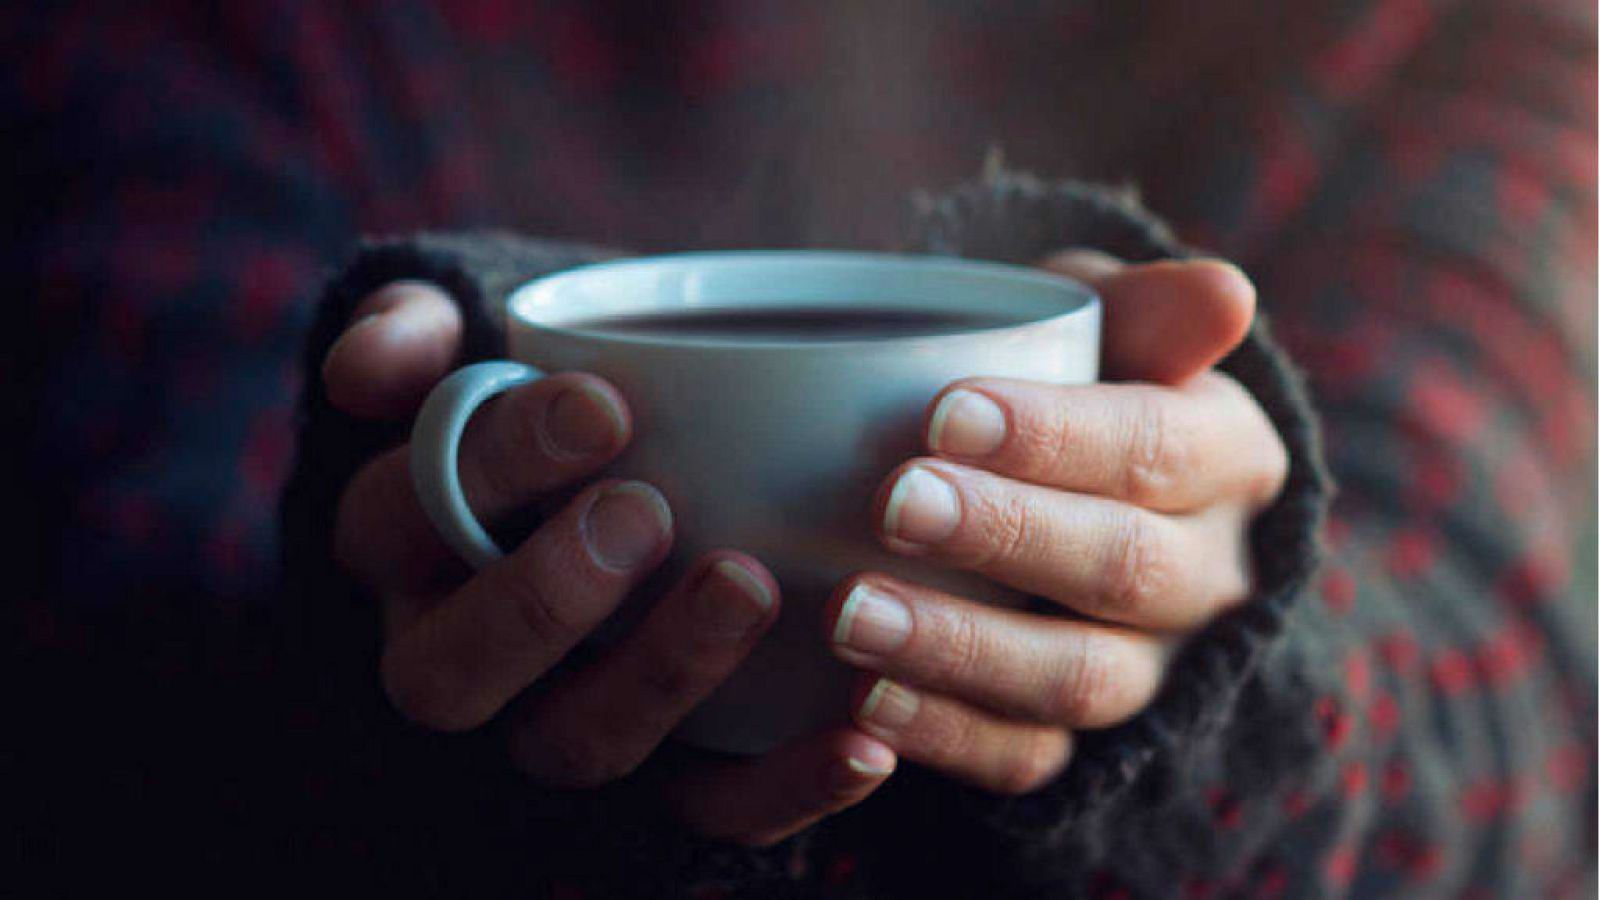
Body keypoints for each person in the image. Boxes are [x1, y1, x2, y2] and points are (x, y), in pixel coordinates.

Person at [10, 1, 1594, 897]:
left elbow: (1512, 708)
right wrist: (367, 630)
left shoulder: (1453, 31)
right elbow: (100, 675)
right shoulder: (223, 36)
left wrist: (1219, 674)